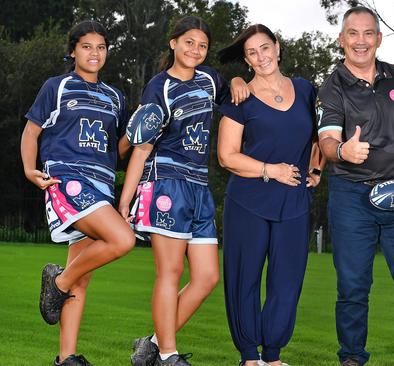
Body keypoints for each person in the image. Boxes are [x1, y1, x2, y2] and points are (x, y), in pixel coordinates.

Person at [119, 16, 244, 366]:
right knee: (171, 272)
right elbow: (141, 147)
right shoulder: (158, 87)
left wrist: (235, 78)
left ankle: (153, 344)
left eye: (202, 45)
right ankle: (169, 355)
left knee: (206, 277)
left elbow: (231, 91)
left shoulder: (208, 79)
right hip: (166, 184)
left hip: (200, 186)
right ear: (173, 43)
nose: (195, 50)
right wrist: (125, 201)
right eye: (188, 42)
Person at [317, 6, 394, 366]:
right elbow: (326, 142)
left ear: (379, 39)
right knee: (353, 286)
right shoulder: (333, 85)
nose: (361, 41)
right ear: (341, 39)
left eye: (368, 33)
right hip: (352, 196)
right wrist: (343, 150)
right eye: (353, 33)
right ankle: (352, 357)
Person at [21, 20, 135, 366]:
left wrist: (139, 131)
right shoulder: (56, 87)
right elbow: (31, 132)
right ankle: (58, 281)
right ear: (73, 51)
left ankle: (66, 357)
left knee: (82, 278)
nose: (94, 53)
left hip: (101, 186)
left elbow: (118, 150)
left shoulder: (116, 97)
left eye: (101, 47)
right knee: (123, 240)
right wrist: (29, 169)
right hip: (68, 179)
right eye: (87, 46)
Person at [216, 24, 324, 366]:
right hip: (248, 200)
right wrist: (270, 169)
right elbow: (227, 156)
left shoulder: (306, 90)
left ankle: (273, 357)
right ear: (246, 60)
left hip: (294, 201)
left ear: (277, 47)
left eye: (265, 48)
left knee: (287, 282)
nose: (261, 57)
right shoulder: (239, 96)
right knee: (244, 278)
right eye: (252, 52)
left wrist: (317, 169)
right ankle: (249, 357)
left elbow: (322, 136)